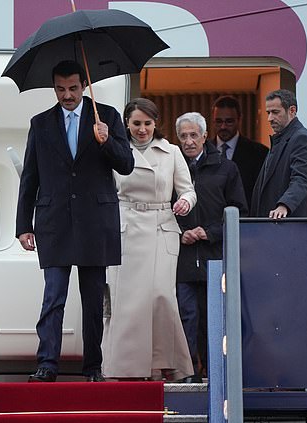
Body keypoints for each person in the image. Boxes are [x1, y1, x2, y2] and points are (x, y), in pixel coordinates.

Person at [16, 60, 134, 383]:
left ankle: (93, 367)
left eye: (73, 88)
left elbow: (126, 165)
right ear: (54, 88)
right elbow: (30, 176)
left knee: (93, 299)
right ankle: (47, 364)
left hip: (96, 223)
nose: (67, 95)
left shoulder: (106, 116)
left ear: (84, 85)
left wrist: (106, 141)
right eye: (60, 89)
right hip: (54, 223)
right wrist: (23, 224)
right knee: (53, 296)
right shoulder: (40, 124)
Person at [102, 98, 196, 381]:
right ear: (126, 124)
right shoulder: (116, 152)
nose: (142, 129)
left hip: (160, 226)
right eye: (136, 123)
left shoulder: (172, 152)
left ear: (156, 124)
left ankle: (165, 363)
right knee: (126, 300)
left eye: (147, 123)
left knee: (161, 296)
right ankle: (124, 366)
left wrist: (185, 204)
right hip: (126, 227)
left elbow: (188, 190)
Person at [174, 112, 248, 381]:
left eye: (194, 135)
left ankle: (214, 372)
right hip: (181, 258)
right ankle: (188, 372)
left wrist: (209, 232)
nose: (189, 141)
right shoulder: (173, 167)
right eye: (183, 136)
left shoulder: (227, 169)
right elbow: (162, 210)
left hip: (214, 257)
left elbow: (238, 211)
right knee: (186, 316)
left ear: (205, 137)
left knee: (212, 318)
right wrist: (180, 232)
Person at [250, 89, 307, 218]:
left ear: (292, 111)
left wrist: (284, 205)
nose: (270, 118)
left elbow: (302, 179)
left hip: (288, 228)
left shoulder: (302, 139)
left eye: (275, 112)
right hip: (273, 226)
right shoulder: (281, 139)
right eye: (268, 113)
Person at [209, 95, 268, 209]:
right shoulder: (203, 151)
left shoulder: (259, 153)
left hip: (245, 221)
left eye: (229, 121)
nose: (223, 126)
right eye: (218, 121)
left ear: (239, 119)